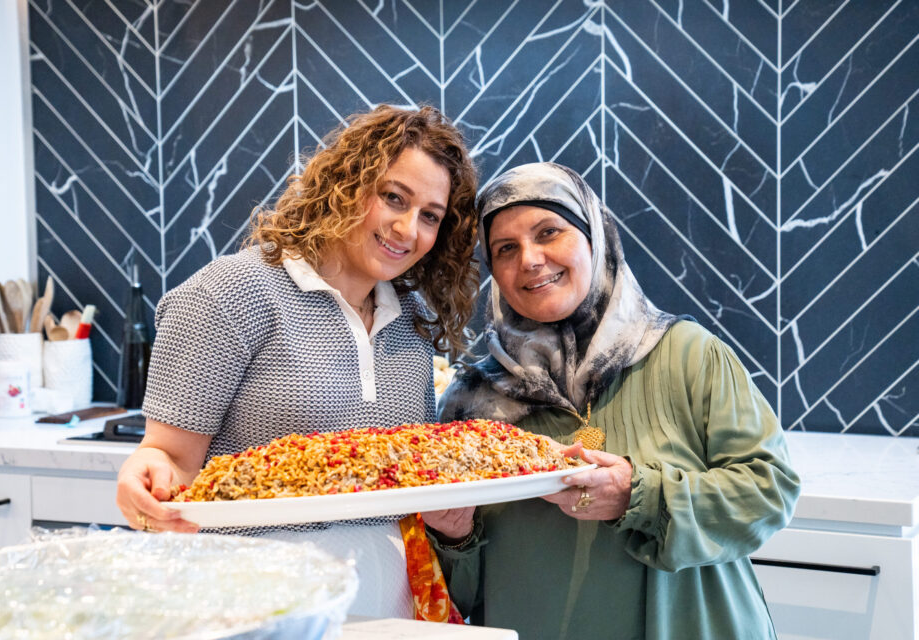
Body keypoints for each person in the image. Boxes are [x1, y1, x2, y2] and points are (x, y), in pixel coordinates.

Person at [115, 105, 480, 619]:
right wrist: (145, 479)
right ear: (346, 184)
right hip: (256, 606)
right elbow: (169, 458)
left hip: (388, 608)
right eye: (393, 197)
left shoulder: (412, 322)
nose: (406, 228)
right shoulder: (229, 295)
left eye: (430, 216)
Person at [424, 162, 800, 639]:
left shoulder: (687, 354)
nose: (531, 259)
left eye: (549, 232)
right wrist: (453, 537)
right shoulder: (470, 405)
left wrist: (635, 495)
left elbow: (770, 493)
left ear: (594, 237)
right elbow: (459, 598)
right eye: (506, 249)